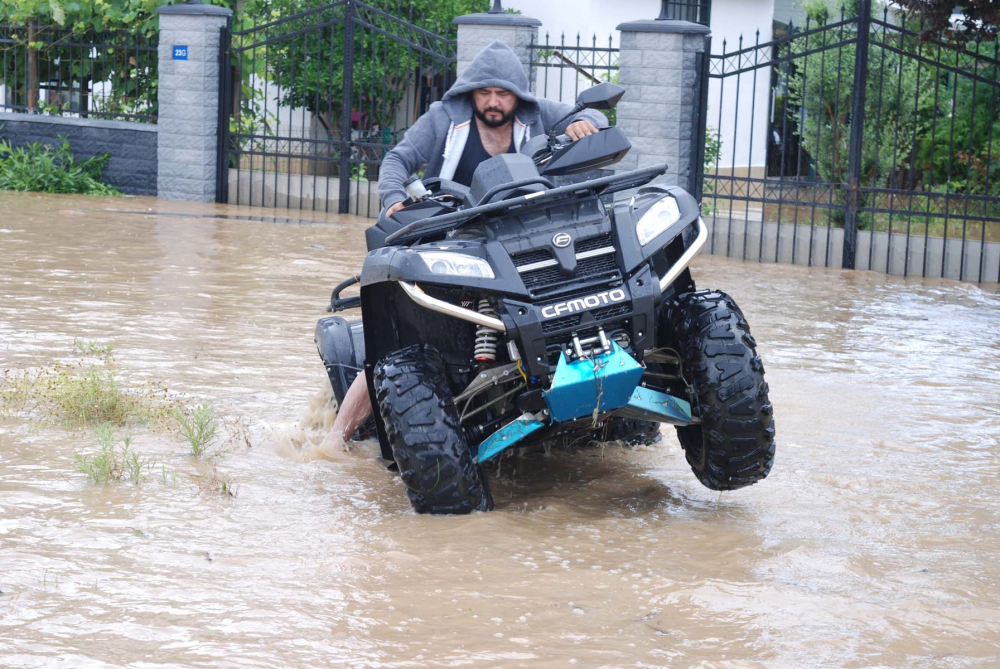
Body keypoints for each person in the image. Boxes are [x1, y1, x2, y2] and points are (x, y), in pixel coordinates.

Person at [331, 39, 609, 443]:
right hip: (454, 240)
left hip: (522, 241)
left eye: (502, 93)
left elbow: (591, 118)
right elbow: (398, 159)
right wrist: (393, 198)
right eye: (485, 92)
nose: (493, 102)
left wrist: (585, 125)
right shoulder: (445, 117)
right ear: (471, 93)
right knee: (400, 346)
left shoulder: (538, 114)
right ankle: (332, 442)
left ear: (518, 95)